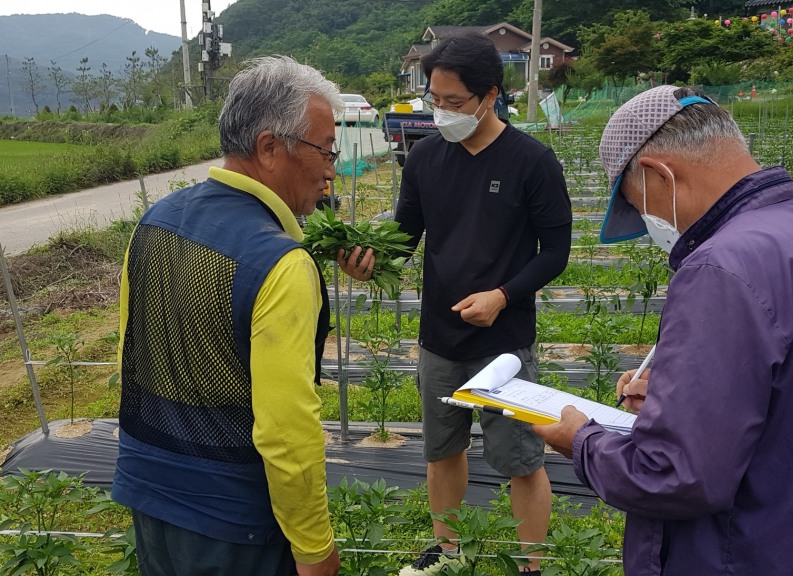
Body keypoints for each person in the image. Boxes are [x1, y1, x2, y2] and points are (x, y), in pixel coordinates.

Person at [533, 85, 793, 575]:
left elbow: (677, 476)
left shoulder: (719, 269)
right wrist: (675, 400)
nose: (653, 223)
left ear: (660, 174)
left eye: (643, 207)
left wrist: (582, 441)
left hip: (732, 555)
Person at [112, 55, 373, 576]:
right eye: (325, 149)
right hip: (235, 524)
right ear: (270, 147)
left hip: (150, 493)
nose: (331, 168)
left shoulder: (155, 221)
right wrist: (314, 548)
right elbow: (286, 431)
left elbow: (133, 353)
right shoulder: (280, 264)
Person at [379, 33, 572, 576]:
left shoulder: (532, 161)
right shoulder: (423, 160)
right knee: (441, 452)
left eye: (454, 102)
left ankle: (530, 565)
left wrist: (504, 295)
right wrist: (370, 257)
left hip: (503, 343)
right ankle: (448, 552)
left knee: (520, 460)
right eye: (434, 100)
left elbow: (556, 251)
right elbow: (405, 233)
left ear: (489, 95)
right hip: (440, 337)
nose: (442, 112)